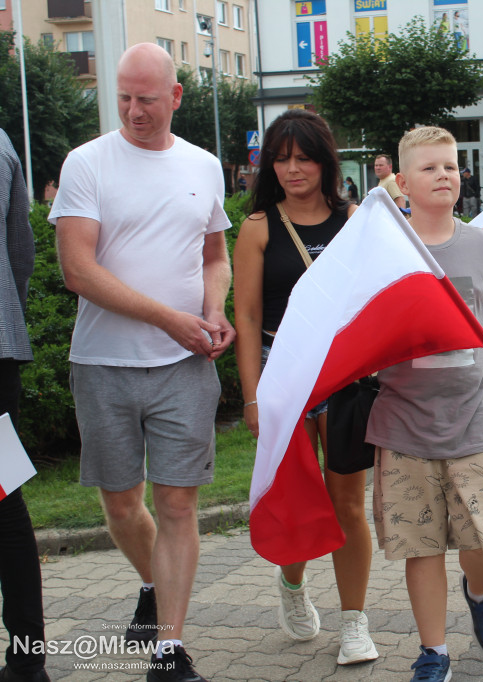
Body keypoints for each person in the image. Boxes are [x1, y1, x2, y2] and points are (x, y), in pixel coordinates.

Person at [49, 43, 234, 682]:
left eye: (147, 100)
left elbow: (215, 253)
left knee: (178, 505)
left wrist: (212, 310)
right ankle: (154, 585)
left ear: (175, 96)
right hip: (104, 362)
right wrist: (170, 319)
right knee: (123, 506)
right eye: (123, 98)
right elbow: (78, 270)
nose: (133, 111)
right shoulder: (87, 163)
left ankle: (168, 650)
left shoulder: (204, 165)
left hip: (185, 366)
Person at [365, 126, 483, 682]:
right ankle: (434, 651)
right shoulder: (384, 248)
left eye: (450, 165)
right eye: (430, 167)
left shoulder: (482, 246)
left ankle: (481, 591)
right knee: (420, 545)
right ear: (401, 181)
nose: (444, 175)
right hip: (403, 425)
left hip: (475, 424)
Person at [232, 109, 378, 666]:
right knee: (296, 497)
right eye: (283, 157)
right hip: (282, 375)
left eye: (304, 157)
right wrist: (252, 396)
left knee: (347, 503)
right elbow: (245, 318)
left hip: (343, 376)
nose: (293, 168)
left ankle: (355, 624)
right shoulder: (258, 227)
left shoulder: (353, 219)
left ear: (324, 160)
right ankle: (292, 586)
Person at [1, 128, 49, 682]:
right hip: (1, 351)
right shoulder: (2, 145)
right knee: (5, 500)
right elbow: (21, 252)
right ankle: (27, 658)